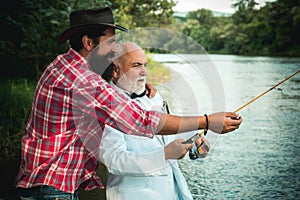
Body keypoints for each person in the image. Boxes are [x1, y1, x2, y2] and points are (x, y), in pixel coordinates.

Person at [14, 7, 242, 199]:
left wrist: (145, 96)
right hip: (52, 185)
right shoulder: (84, 81)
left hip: (44, 181)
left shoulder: (62, 64)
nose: (114, 48)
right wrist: (208, 121)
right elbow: (140, 122)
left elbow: (112, 94)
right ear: (88, 42)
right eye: (110, 41)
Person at [99, 42, 210, 200]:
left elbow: (167, 136)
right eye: (136, 65)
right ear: (116, 70)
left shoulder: (152, 95)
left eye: (145, 65)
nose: (144, 72)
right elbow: (114, 161)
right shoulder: (105, 105)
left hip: (172, 193)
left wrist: (195, 142)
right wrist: (164, 154)